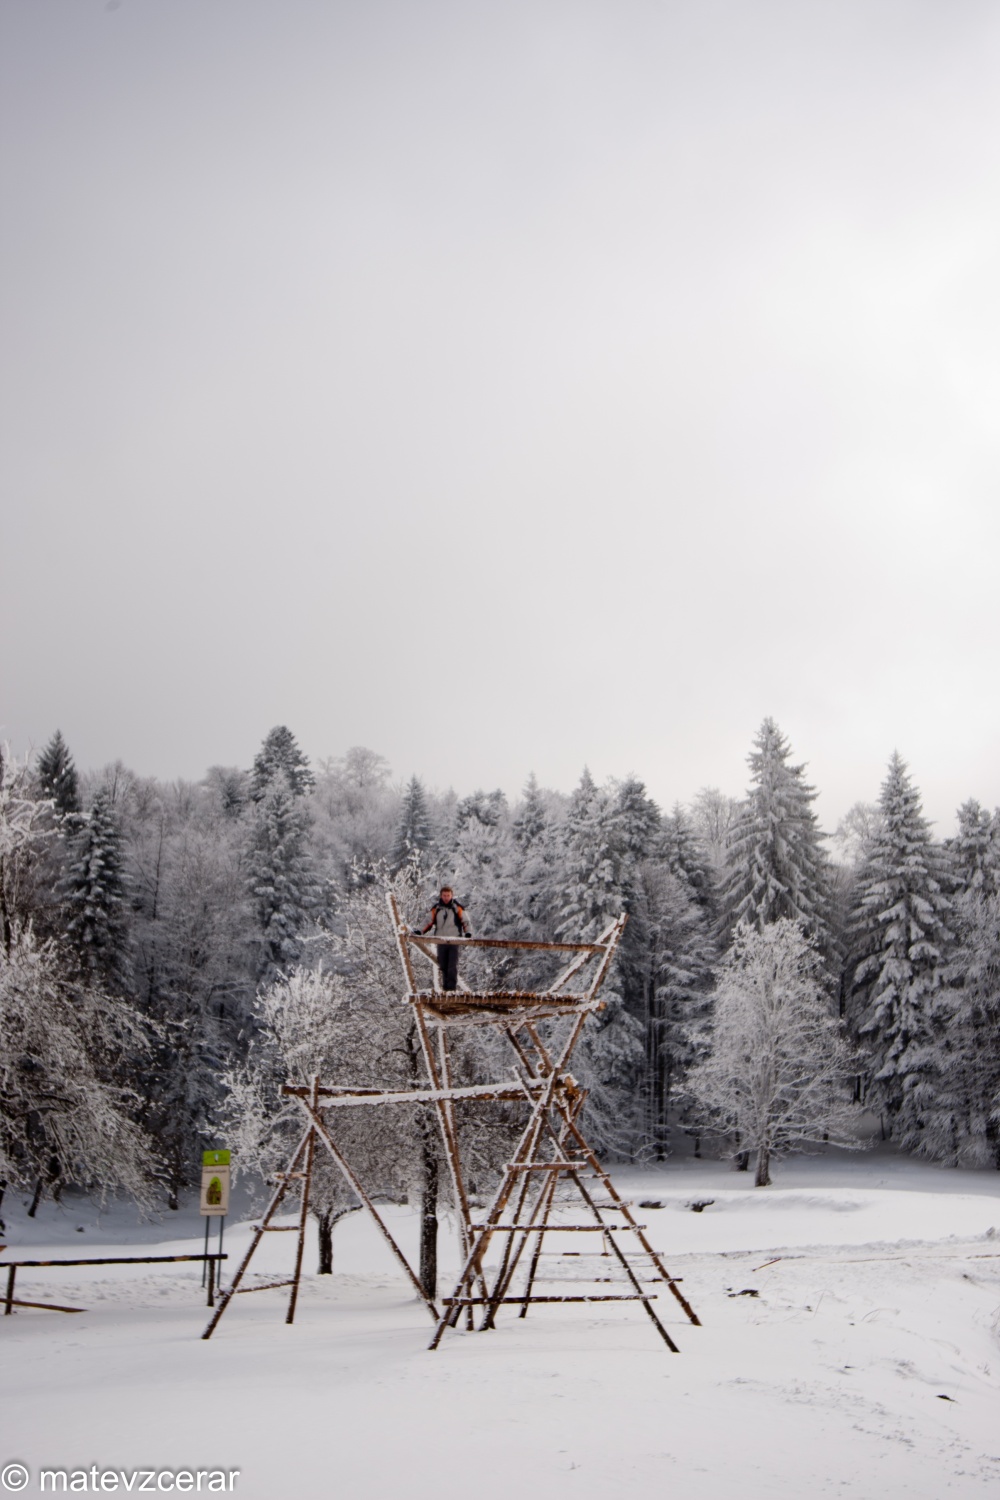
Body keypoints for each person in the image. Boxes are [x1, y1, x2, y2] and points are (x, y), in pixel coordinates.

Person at [417, 885, 471, 991]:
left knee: (452, 965)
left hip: (454, 940)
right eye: (444, 895)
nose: (446, 898)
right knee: (443, 965)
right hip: (441, 940)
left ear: (452, 896)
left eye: (448, 895)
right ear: (441, 896)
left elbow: (465, 921)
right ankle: (446, 988)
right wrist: (420, 931)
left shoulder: (457, 907)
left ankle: (451, 989)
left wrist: (468, 932)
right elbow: (428, 921)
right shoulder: (437, 908)